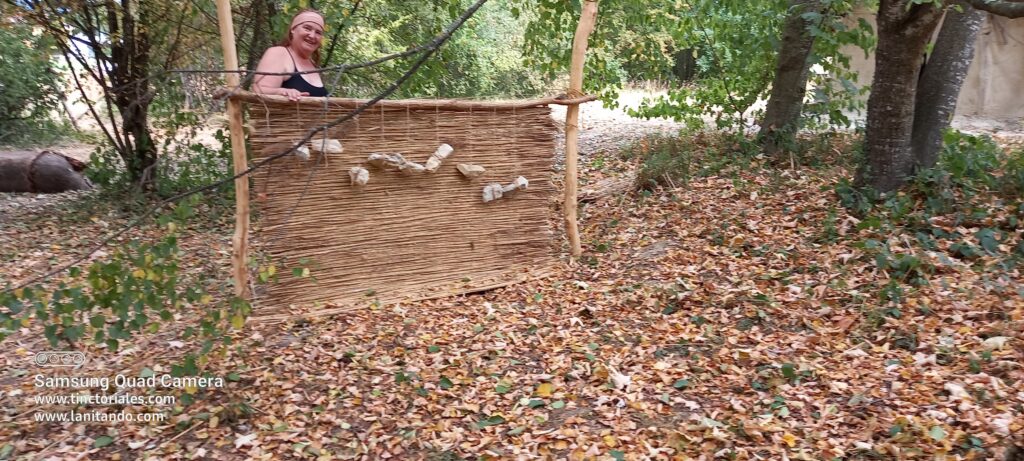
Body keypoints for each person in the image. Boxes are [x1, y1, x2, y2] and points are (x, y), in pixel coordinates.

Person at [253, 9, 329, 100]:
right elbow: (259, 90)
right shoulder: (279, 53)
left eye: (318, 32)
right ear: (293, 29)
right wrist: (283, 92)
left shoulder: (313, 63)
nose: (312, 35)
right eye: (307, 28)